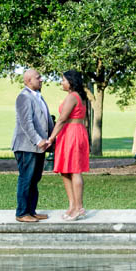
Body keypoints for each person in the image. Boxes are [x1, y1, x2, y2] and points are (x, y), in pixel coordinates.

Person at [47, 70, 90, 221]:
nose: (61, 83)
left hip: (72, 133)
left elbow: (62, 119)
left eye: (64, 80)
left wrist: (51, 138)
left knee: (74, 170)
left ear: (71, 82)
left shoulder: (73, 97)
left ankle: (79, 207)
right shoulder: (77, 96)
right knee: (65, 170)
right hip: (69, 133)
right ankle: (72, 205)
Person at [11, 68, 52, 223]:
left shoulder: (38, 97)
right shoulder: (23, 97)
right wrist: (38, 140)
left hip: (38, 147)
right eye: (38, 77)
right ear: (28, 81)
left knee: (35, 178)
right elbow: (26, 123)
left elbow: (46, 120)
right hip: (26, 146)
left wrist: (50, 139)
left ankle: (31, 211)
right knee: (26, 178)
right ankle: (21, 213)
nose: (41, 79)